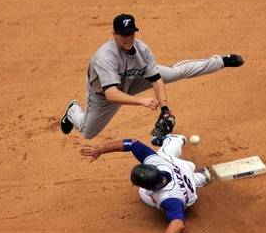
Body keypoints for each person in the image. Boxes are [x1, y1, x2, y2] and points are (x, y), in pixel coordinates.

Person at [61, 13, 244, 141]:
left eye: (131, 33)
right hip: (105, 94)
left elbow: (156, 78)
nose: (128, 38)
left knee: (175, 72)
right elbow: (112, 94)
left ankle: (221, 61)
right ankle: (72, 111)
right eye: (123, 35)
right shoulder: (105, 57)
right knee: (88, 133)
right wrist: (142, 101)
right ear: (114, 35)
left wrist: (164, 108)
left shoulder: (142, 49)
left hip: (133, 81)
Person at [80, 134, 212, 233]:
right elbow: (132, 143)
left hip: (184, 194)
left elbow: (178, 223)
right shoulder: (156, 163)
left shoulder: (168, 198)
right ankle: (197, 175)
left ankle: (179, 143)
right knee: (164, 153)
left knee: (143, 194)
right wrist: (100, 149)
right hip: (183, 168)